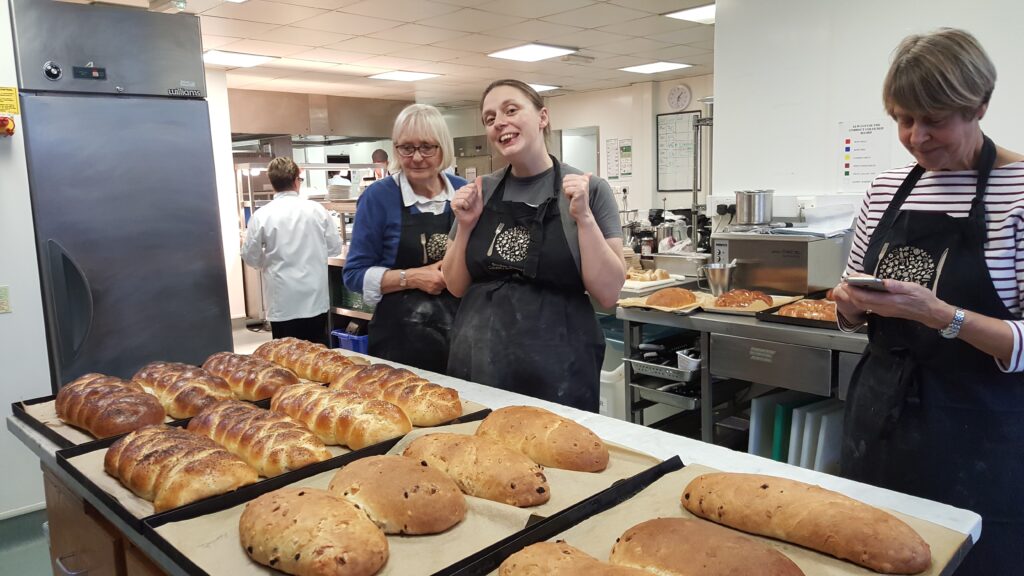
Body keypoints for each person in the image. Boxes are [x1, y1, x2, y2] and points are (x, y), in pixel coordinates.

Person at [832, 28, 1024, 573]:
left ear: (980, 104)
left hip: (979, 432)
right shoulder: (887, 188)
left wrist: (943, 316)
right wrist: (848, 304)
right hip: (880, 422)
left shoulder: (1020, 192)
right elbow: (852, 307)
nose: (917, 136)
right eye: (902, 119)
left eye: (934, 119)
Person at [442, 79, 626, 412]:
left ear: (542, 117)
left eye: (511, 110)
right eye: (489, 118)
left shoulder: (589, 189)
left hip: (560, 368)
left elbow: (609, 293)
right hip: (480, 361)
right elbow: (455, 286)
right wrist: (467, 226)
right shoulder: (480, 191)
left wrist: (583, 218)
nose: (499, 121)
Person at [343, 104, 466, 373]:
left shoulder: (463, 191)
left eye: (427, 147)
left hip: (462, 335)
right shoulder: (378, 197)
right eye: (406, 148)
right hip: (399, 340)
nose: (417, 157)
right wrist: (412, 277)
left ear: (442, 147)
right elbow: (353, 275)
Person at [242, 156, 342, 346]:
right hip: (314, 298)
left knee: (285, 356)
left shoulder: (262, 215)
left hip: (282, 301)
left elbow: (250, 256)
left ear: (272, 183)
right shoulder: (317, 210)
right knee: (317, 355)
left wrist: (267, 262)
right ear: (297, 180)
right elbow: (334, 248)